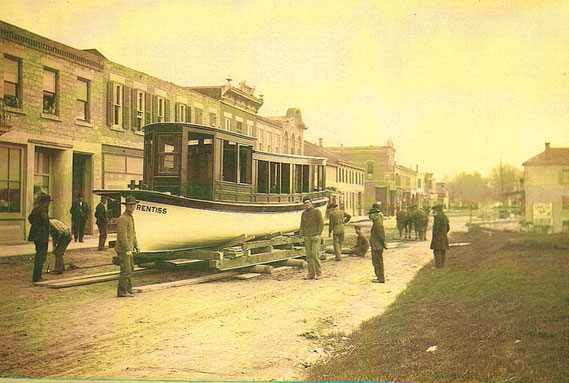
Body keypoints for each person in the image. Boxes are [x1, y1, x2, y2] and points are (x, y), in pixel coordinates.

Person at [115, 195, 139, 297]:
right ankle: (122, 291)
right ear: (126, 206)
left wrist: (136, 245)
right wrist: (127, 249)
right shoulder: (123, 218)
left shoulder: (130, 217)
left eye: (133, 205)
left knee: (130, 268)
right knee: (125, 270)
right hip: (124, 249)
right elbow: (122, 236)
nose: (132, 207)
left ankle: (128, 289)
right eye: (130, 205)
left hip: (129, 248)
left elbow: (132, 233)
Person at [28, 194, 52, 283]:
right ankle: (37, 277)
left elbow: (29, 218)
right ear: (46, 203)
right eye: (48, 202)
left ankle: (37, 276)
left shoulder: (36, 209)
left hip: (36, 236)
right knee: (41, 256)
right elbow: (45, 221)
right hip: (42, 236)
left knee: (39, 255)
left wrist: (35, 225)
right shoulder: (43, 210)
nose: (49, 204)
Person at [300, 197, 324, 280]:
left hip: (315, 236)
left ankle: (319, 273)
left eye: (308, 202)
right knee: (309, 256)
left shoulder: (317, 212)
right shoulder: (304, 213)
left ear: (311, 203)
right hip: (307, 236)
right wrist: (301, 235)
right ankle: (311, 274)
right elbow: (302, 225)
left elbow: (321, 223)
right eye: (305, 203)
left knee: (314, 254)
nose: (307, 204)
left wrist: (318, 234)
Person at [368, 206, 388, 283]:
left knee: (378, 262)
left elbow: (381, 235)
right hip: (376, 245)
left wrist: (383, 243)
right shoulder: (377, 222)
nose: (369, 216)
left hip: (377, 246)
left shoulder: (378, 224)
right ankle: (379, 277)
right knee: (376, 262)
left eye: (370, 214)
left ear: (375, 214)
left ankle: (380, 278)